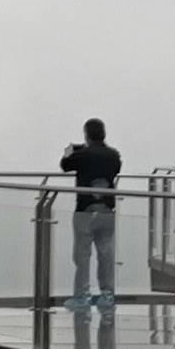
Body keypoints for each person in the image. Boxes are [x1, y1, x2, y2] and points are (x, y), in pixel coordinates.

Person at [59, 117, 121, 324]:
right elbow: (116, 169)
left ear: (87, 135)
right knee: (106, 254)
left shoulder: (83, 155)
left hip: (85, 210)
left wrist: (70, 152)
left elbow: (65, 165)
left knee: (82, 255)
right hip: (107, 210)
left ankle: (82, 295)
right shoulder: (113, 155)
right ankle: (107, 294)